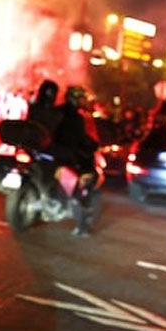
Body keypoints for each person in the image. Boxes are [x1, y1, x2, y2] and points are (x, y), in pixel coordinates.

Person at [53, 85, 100, 237]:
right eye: (80, 98)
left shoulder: (57, 111)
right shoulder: (75, 118)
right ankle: (81, 227)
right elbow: (80, 138)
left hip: (52, 154)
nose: (82, 101)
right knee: (84, 185)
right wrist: (92, 145)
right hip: (66, 157)